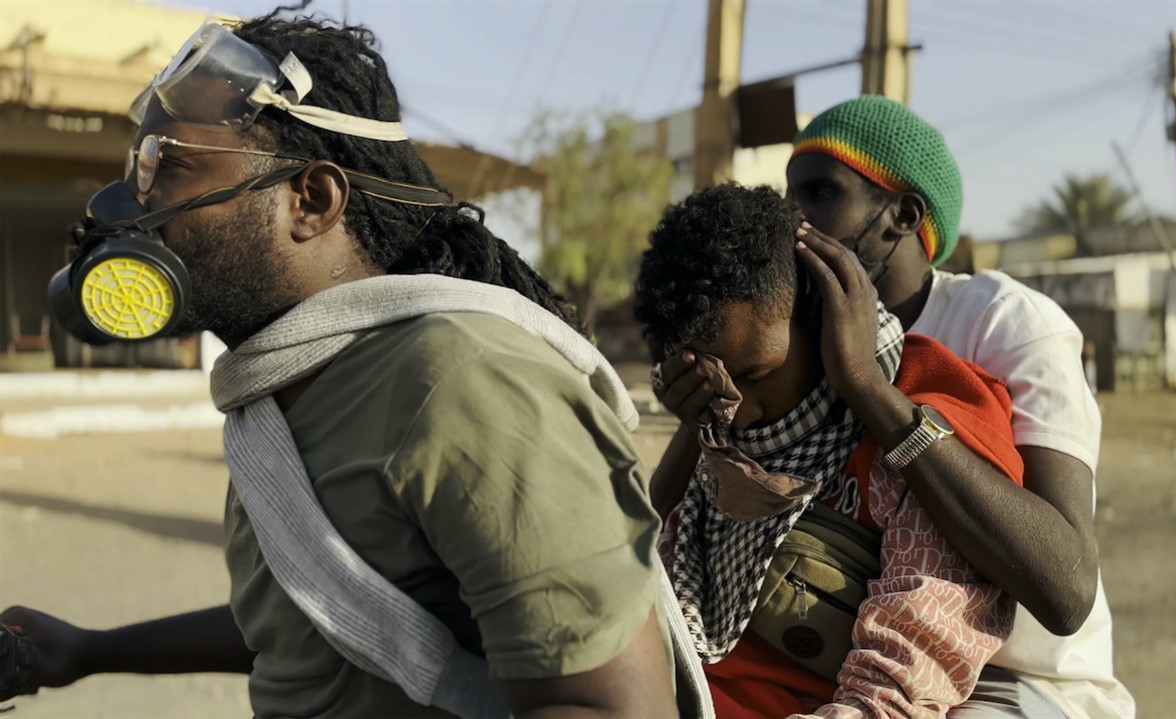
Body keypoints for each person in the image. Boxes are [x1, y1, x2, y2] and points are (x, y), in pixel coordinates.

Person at [1, 13, 709, 718]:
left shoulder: (462, 378)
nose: (135, 201)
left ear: (310, 200)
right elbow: (326, 613)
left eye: (170, 163)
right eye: (140, 167)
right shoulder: (291, 386)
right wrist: (92, 650)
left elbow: (607, 706)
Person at [651, 96, 1134, 718]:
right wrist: (704, 416)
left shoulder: (1005, 322)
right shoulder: (799, 333)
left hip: (1016, 681)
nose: (797, 219)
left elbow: (1065, 587)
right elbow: (659, 542)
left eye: (822, 194)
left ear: (901, 215)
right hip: (844, 669)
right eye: (790, 197)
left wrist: (869, 389)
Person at [637, 183, 1031, 718]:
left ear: (824, 317)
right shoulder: (717, 432)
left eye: (756, 374)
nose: (740, 411)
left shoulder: (927, 411)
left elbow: (897, 687)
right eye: (713, 382)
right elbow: (647, 570)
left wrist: (863, 383)